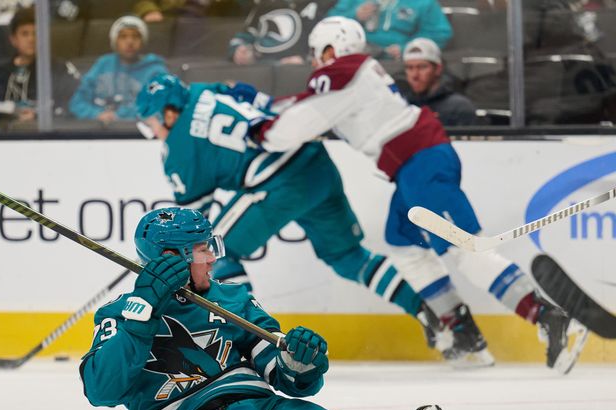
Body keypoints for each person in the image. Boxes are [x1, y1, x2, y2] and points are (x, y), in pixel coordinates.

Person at [251, 16, 587, 372]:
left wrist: (261, 129)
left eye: (318, 53)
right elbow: (307, 105)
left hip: (421, 162)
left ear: (332, 49)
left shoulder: (344, 70)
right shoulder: (352, 77)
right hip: (411, 168)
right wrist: (263, 107)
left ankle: (550, 318)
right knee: (403, 243)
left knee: (466, 249)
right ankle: (463, 333)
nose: (315, 61)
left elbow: (299, 119)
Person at [79, 206, 465, 410]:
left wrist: (299, 363)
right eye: (202, 250)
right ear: (171, 258)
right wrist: (143, 313)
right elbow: (101, 389)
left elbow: (284, 375)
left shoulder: (233, 299)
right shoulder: (121, 313)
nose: (213, 258)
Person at [135, 73, 463, 365]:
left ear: (168, 113)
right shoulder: (204, 89)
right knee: (348, 256)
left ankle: (249, 341)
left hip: (279, 182)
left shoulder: (178, 149)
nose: (153, 132)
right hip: (315, 163)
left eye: (151, 123)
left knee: (217, 253)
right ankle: (426, 311)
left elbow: (194, 226)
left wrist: (166, 255)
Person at [68, 15, 167, 124]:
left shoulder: (156, 71)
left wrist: (119, 116)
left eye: (135, 37)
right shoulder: (103, 64)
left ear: (143, 41)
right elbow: (77, 102)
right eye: (123, 36)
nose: (130, 42)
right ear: (115, 41)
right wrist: (96, 114)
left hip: (136, 135)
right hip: (99, 131)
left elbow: (159, 108)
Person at [326, 0, 452, 60]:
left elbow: (440, 34)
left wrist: (407, 48)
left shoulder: (423, 3)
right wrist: (354, 15)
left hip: (399, 63)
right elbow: (328, 23)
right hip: (356, 58)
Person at [399, 37, 478, 126]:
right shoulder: (401, 106)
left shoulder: (459, 108)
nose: (415, 75)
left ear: (438, 69)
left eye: (422, 67)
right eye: (409, 68)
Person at [230, 0, 336, 65]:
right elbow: (242, 38)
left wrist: (307, 60)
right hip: (262, 69)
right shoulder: (265, 5)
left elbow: (334, 43)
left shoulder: (323, 4)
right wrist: (239, 50)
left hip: (302, 71)